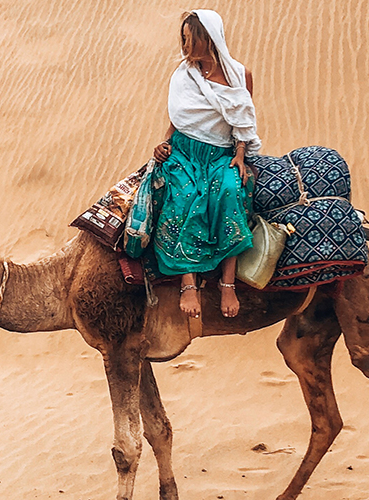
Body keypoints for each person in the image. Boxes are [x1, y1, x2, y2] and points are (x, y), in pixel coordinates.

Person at [150, 9, 260, 319]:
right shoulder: (183, 75)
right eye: (182, 39)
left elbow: (243, 121)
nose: (184, 46)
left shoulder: (240, 74)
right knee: (182, 196)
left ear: (208, 38)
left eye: (190, 39)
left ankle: (228, 282)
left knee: (229, 191)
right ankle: (188, 283)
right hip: (184, 150)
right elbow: (179, 118)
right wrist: (165, 144)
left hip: (220, 153)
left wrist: (240, 154)